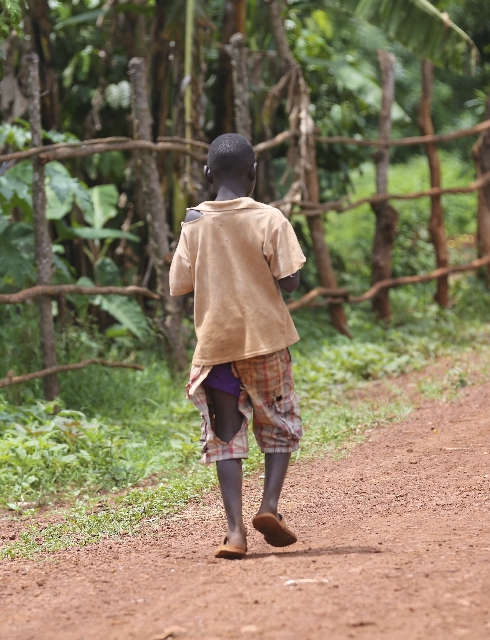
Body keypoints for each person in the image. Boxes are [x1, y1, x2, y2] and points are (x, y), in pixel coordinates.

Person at [170, 133, 306, 559]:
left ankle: (234, 532)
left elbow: (180, 284)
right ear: (253, 173)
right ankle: (269, 507)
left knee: (225, 434)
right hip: (265, 341)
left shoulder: (193, 223)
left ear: (208, 174)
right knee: (278, 422)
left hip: (217, 346)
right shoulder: (270, 218)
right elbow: (290, 281)